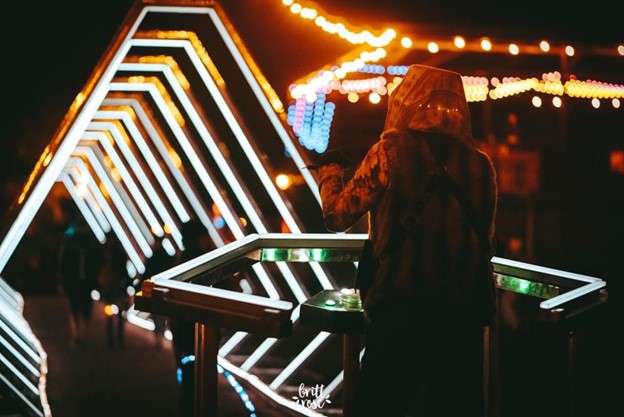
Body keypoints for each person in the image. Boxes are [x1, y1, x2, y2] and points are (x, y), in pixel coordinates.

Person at [315, 65, 498, 416]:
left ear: (408, 101)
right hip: (463, 316)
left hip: (401, 309)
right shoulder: (480, 164)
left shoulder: (391, 151)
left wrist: (329, 173)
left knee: (381, 402)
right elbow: (487, 241)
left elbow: (337, 216)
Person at [57, 218, 100, 346]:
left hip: (81, 282)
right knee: (78, 308)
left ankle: (80, 334)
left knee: (80, 307)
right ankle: (79, 334)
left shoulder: (76, 246)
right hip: (78, 282)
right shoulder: (78, 246)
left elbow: (63, 265)